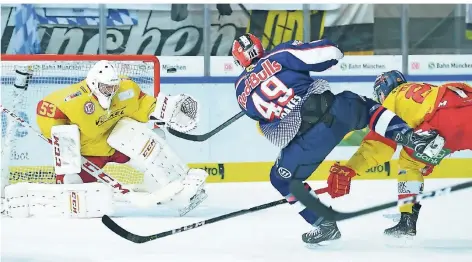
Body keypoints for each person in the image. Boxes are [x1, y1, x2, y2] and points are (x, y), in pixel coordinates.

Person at [231, 33, 446, 246]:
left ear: (238, 61)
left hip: (306, 142)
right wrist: (334, 50)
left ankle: (323, 224)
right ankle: (414, 139)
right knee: (366, 108)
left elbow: (264, 124)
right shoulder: (279, 54)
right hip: (334, 113)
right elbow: (329, 53)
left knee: (281, 178)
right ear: (260, 47)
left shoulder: (240, 91)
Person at [7, 60, 208, 217]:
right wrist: (61, 140)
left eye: (113, 87)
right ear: (94, 83)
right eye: (105, 88)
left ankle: (179, 184)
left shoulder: (125, 90)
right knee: (71, 195)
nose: (111, 92)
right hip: (88, 156)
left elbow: (143, 104)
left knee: (149, 138)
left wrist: (167, 109)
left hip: (115, 146)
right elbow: (46, 109)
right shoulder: (75, 99)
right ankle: (20, 199)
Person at [325, 70, 472, 238]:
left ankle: (407, 221)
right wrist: (428, 160)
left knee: (409, 165)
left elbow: (379, 145)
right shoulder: (426, 88)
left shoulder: (393, 98)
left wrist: (350, 169)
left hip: (443, 120)